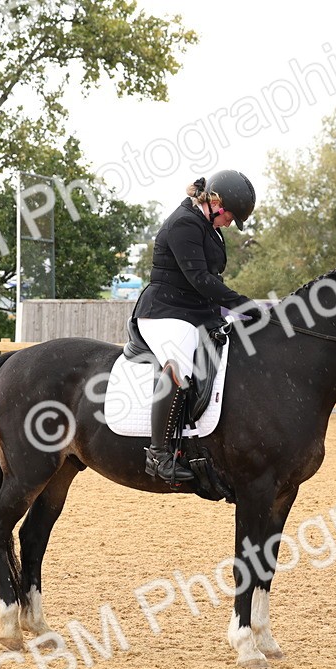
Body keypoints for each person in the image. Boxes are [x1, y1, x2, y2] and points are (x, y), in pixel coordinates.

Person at [131, 169, 261, 484]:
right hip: (165, 311)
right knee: (180, 367)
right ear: (216, 203)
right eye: (230, 216)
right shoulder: (183, 224)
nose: (230, 223)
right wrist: (244, 305)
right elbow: (200, 279)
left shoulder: (210, 227)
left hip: (197, 312)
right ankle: (159, 455)